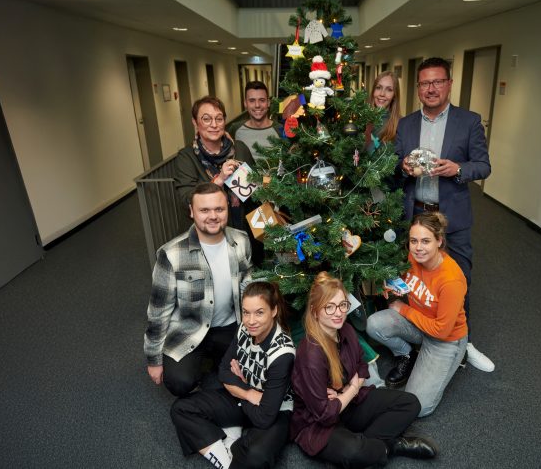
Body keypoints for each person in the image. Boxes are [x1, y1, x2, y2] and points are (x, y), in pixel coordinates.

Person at [395, 56, 495, 373]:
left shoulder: (469, 121)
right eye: (425, 83)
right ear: (418, 87)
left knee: (459, 280)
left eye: (438, 81)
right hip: (417, 214)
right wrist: (402, 167)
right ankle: (421, 339)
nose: (431, 88)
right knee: (415, 278)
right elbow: (394, 167)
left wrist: (458, 168)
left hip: (451, 217)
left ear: (449, 84)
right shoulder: (407, 123)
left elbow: (484, 166)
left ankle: (462, 344)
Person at [290, 272, 437, 468]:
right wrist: (352, 388)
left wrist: (348, 390)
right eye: (330, 307)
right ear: (315, 311)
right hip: (317, 424)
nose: (338, 313)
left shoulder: (346, 330)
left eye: (343, 305)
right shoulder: (310, 354)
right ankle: (390, 446)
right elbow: (325, 415)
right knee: (355, 452)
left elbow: (361, 365)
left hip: (348, 404)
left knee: (410, 403)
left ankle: (363, 448)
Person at [170, 281, 294, 469]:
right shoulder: (245, 329)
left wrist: (239, 389)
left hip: (276, 411)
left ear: (274, 311)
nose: (251, 320)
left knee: (256, 456)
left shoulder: (282, 353)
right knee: (181, 409)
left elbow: (264, 417)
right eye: (246, 312)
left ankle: (232, 432)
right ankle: (227, 462)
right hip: (247, 395)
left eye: (259, 312)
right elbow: (223, 371)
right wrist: (247, 393)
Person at [144, 182, 252, 397]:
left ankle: (217, 367)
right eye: (204, 210)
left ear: (227, 210)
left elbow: (246, 285)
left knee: (252, 373)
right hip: (189, 329)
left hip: (230, 326)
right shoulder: (171, 254)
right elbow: (158, 312)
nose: (213, 216)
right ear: (192, 212)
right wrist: (153, 360)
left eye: (219, 209)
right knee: (179, 382)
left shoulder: (241, 240)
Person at [366, 212, 467, 417]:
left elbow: (441, 330)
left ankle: (457, 355)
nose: (418, 247)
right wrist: (391, 286)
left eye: (425, 241)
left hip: (445, 339)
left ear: (439, 241)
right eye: (414, 241)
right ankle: (408, 353)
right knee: (374, 324)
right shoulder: (413, 257)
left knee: (418, 407)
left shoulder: (451, 279)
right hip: (419, 324)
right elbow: (405, 281)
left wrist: (403, 309)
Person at [174, 96, 256, 234]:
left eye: (219, 118)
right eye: (206, 119)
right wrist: (219, 180)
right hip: (206, 233)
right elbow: (186, 200)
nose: (214, 124)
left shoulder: (240, 148)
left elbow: (254, 190)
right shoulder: (186, 157)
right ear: (195, 122)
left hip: (243, 229)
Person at [227, 81, 282, 162]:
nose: (257, 105)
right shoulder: (235, 129)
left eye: (262, 100)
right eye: (252, 101)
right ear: (245, 103)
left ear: (268, 103)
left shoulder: (280, 130)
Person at [365, 71, 403, 152]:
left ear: (394, 95)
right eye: (378, 88)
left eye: (389, 90)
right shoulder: (362, 118)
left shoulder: (400, 125)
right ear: (373, 91)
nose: (382, 94)